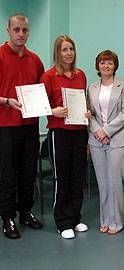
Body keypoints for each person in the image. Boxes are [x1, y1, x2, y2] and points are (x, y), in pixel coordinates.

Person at [41, 35, 90, 239]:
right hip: (59, 133)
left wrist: (86, 112)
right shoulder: (48, 76)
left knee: (77, 177)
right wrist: (53, 111)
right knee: (62, 178)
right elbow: (41, 106)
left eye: (71, 49)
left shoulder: (81, 75)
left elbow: (83, 101)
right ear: (57, 53)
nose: (68, 53)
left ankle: (75, 218)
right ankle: (62, 222)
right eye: (64, 49)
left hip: (79, 132)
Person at [0, 14, 44, 239]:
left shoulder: (35, 60)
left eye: (24, 30)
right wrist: (7, 101)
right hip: (5, 126)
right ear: (8, 30)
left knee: (29, 171)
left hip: (30, 125)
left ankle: (26, 212)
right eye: (16, 29)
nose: (20, 34)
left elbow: (41, 91)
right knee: (7, 174)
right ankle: (7, 217)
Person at [88, 50, 124, 235]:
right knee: (102, 182)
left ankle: (116, 221)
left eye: (110, 63)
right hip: (96, 139)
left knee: (115, 181)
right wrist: (98, 131)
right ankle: (105, 219)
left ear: (115, 65)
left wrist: (106, 131)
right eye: (102, 62)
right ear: (98, 65)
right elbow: (88, 112)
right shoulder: (91, 87)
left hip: (118, 139)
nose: (106, 66)